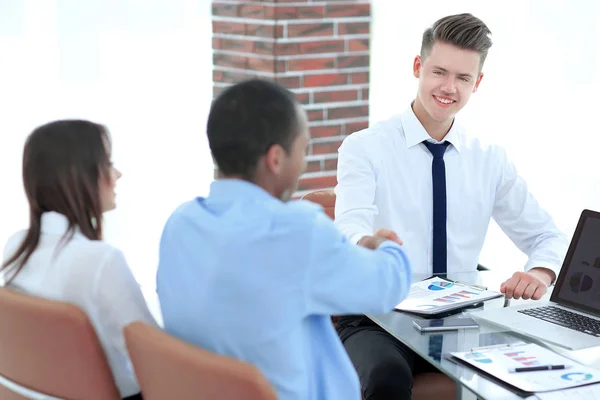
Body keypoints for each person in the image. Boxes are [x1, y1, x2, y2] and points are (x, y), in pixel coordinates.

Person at [333, 13, 569, 400]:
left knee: (540, 372)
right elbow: (348, 228)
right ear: (417, 67)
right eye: (439, 72)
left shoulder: (489, 159)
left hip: (462, 321)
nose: (448, 87)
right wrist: (368, 245)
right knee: (385, 377)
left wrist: (541, 273)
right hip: (377, 318)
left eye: (462, 78)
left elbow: (547, 235)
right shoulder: (365, 148)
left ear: (477, 83)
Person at [156, 79, 412, 400]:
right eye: (303, 149)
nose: (303, 164)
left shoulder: (180, 224)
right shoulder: (296, 232)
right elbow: (387, 287)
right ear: (276, 159)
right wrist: (383, 246)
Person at [1, 120, 156, 400]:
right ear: (78, 175)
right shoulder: (100, 261)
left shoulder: (16, 247)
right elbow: (156, 359)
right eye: (107, 163)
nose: (117, 174)